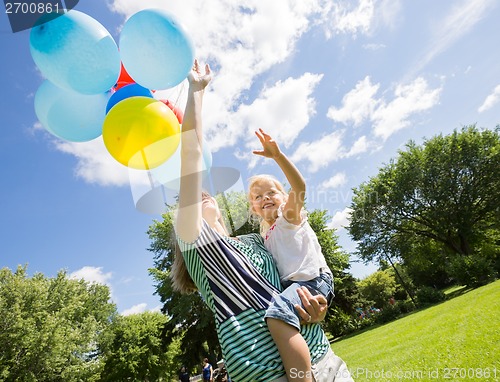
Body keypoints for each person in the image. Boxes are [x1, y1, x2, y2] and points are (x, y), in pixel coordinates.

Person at [173, 59, 353, 381]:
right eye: (190, 200)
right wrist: (196, 93)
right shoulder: (200, 247)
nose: (200, 194)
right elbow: (191, 156)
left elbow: (297, 276)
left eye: (203, 192)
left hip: (325, 363)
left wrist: (317, 307)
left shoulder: (258, 239)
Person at [248, 128, 335, 382]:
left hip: (313, 280)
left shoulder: (289, 217)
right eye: (258, 197)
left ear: (284, 198)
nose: (265, 198)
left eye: (271, 192)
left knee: (276, 314)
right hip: (296, 285)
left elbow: (300, 186)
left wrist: (277, 156)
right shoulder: (265, 235)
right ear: (253, 208)